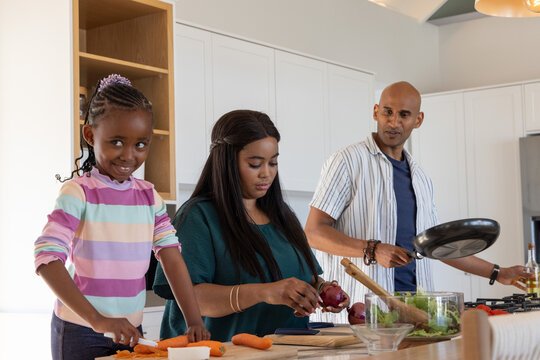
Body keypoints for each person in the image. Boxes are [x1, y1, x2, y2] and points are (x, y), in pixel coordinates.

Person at [305, 81, 533, 323]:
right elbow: (313, 232)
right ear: (375, 112)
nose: (393, 122)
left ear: (418, 119)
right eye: (387, 112)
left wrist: (498, 273)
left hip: (415, 315)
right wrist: (372, 249)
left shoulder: (421, 177)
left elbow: (436, 248)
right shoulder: (347, 161)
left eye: (404, 115)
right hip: (360, 319)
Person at [34, 74, 210, 360]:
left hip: (131, 331)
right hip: (82, 329)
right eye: (117, 142)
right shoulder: (78, 193)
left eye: (141, 144)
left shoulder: (150, 197)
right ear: (90, 135)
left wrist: (194, 319)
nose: (129, 155)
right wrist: (98, 320)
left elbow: (171, 257)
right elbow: (46, 258)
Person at [153, 110, 350, 342]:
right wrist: (265, 292)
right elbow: (189, 296)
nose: (267, 173)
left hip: (287, 353)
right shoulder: (198, 217)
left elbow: (307, 277)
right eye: (255, 164)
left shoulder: (283, 216)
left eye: (273, 162)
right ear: (226, 161)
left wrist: (321, 291)